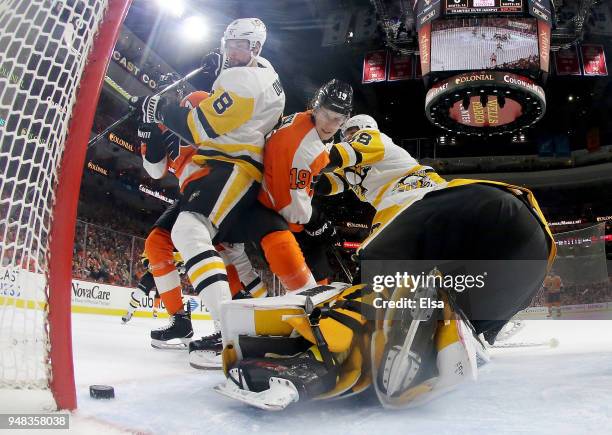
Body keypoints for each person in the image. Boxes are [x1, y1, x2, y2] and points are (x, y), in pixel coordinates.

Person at [213, 114, 556, 409]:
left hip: (471, 208)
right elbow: (323, 184)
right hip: (525, 258)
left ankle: (317, 361)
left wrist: (285, 155)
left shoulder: (372, 141)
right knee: (436, 310)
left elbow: (332, 159)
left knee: (373, 273)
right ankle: (449, 342)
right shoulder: (381, 186)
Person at [132, 18, 317, 369]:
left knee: (239, 245)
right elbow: (155, 168)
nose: (231, 52)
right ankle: (188, 321)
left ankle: (237, 329)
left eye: (239, 46)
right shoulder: (246, 77)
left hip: (231, 169)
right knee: (164, 239)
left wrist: (161, 111)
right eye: (228, 45)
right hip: (209, 179)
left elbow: (202, 123)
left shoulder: (238, 85)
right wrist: (148, 130)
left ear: (255, 49)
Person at [258, 79, 354, 284]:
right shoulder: (305, 150)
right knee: (310, 281)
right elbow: (291, 208)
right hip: (274, 214)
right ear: (316, 108)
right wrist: (317, 222)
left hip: (273, 199)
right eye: (326, 115)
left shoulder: (302, 120)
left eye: (337, 119)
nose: (330, 125)